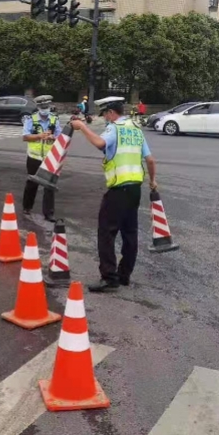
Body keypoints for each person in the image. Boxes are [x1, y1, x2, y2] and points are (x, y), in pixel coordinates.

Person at [70, 96, 156, 292]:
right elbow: (150, 160)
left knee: (106, 232)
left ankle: (109, 277)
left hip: (118, 189)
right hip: (135, 189)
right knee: (130, 233)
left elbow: (100, 144)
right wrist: (152, 181)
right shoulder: (135, 129)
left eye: (106, 115)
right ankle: (124, 275)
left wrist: (82, 128)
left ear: (110, 113)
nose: (106, 119)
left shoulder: (114, 128)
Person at [22, 95, 62, 222]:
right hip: (34, 157)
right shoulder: (31, 119)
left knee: (49, 186)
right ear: (38, 107)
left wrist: (53, 138)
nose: (45, 109)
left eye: (47, 106)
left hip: (50, 157)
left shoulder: (54, 120)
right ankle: (27, 207)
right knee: (32, 183)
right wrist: (40, 136)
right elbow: (25, 136)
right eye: (42, 107)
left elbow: (60, 137)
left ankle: (49, 213)